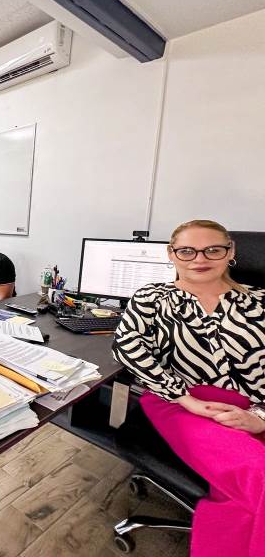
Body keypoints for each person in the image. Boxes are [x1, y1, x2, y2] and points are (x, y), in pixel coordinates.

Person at [113, 219, 265, 557]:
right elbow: (126, 347)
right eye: (187, 250)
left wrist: (260, 416)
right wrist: (187, 399)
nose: (200, 258)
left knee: (245, 501)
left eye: (213, 249)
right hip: (180, 401)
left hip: (253, 406)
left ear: (231, 252)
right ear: (171, 254)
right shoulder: (153, 297)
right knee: (260, 478)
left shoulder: (260, 301)